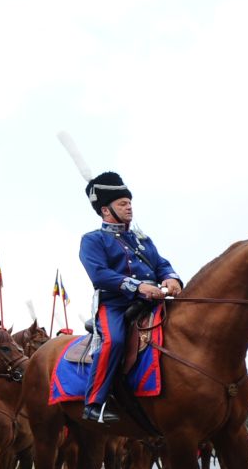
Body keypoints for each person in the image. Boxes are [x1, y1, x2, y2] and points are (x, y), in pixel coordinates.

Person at [76, 171, 181, 424]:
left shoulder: (142, 239)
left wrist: (171, 278)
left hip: (152, 302)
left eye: (130, 203)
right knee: (115, 342)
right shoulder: (93, 240)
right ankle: (95, 404)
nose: (129, 207)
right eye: (123, 203)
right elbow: (100, 274)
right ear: (105, 210)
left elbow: (161, 264)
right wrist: (138, 286)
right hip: (114, 305)